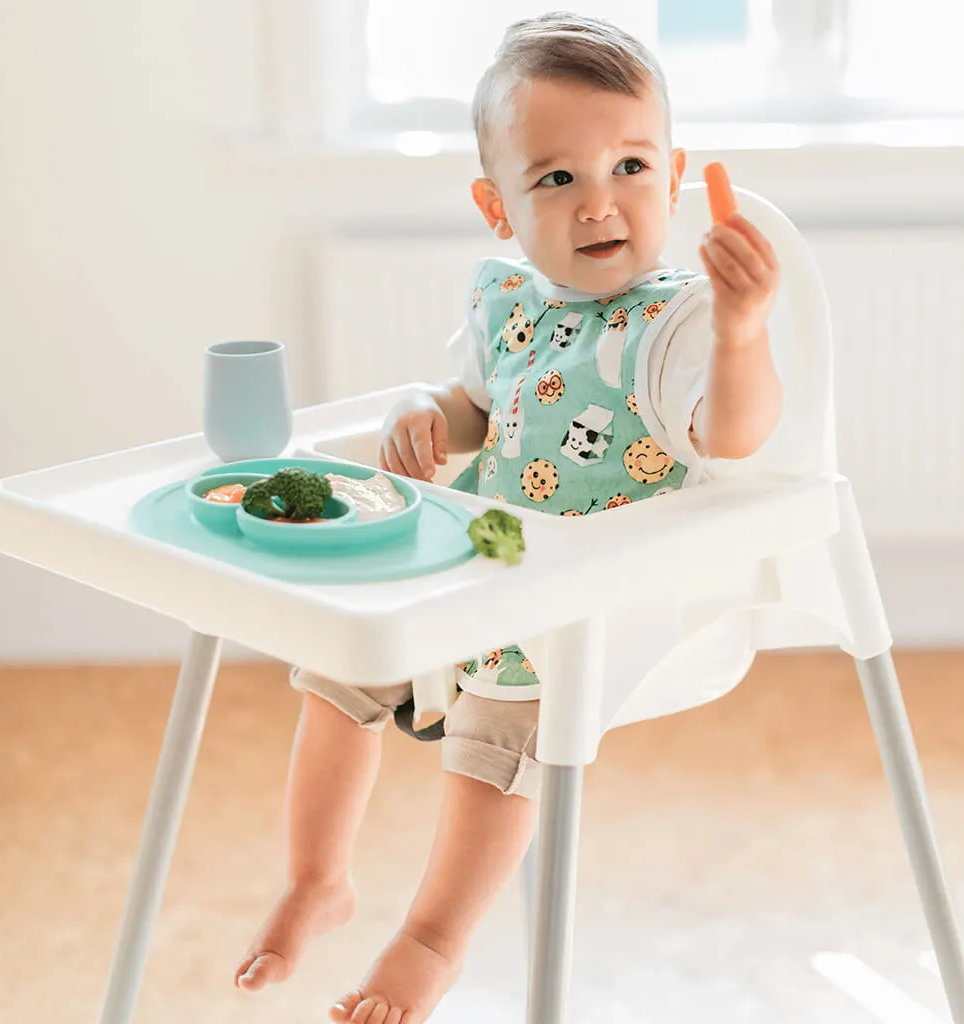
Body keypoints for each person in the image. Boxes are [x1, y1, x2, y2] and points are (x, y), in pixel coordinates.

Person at [235, 11, 782, 1022]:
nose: (597, 202)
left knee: (495, 739)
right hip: (484, 552)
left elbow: (733, 435)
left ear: (673, 177)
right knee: (345, 647)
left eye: (628, 164)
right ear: (498, 207)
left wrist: (742, 330)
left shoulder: (671, 322)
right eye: (556, 178)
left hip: (596, 590)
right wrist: (419, 412)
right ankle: (317, 876)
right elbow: (471, 407)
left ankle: (428, 943)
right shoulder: (507, 302)